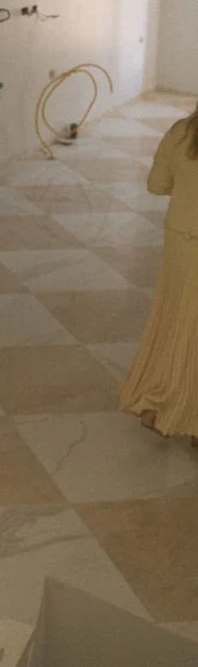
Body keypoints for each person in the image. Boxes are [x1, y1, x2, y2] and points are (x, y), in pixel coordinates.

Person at [121, 103, 198, 447]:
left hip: (183, 241)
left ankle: (165, 401)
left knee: (176, 321)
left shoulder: (181, 132)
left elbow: (156, 185)